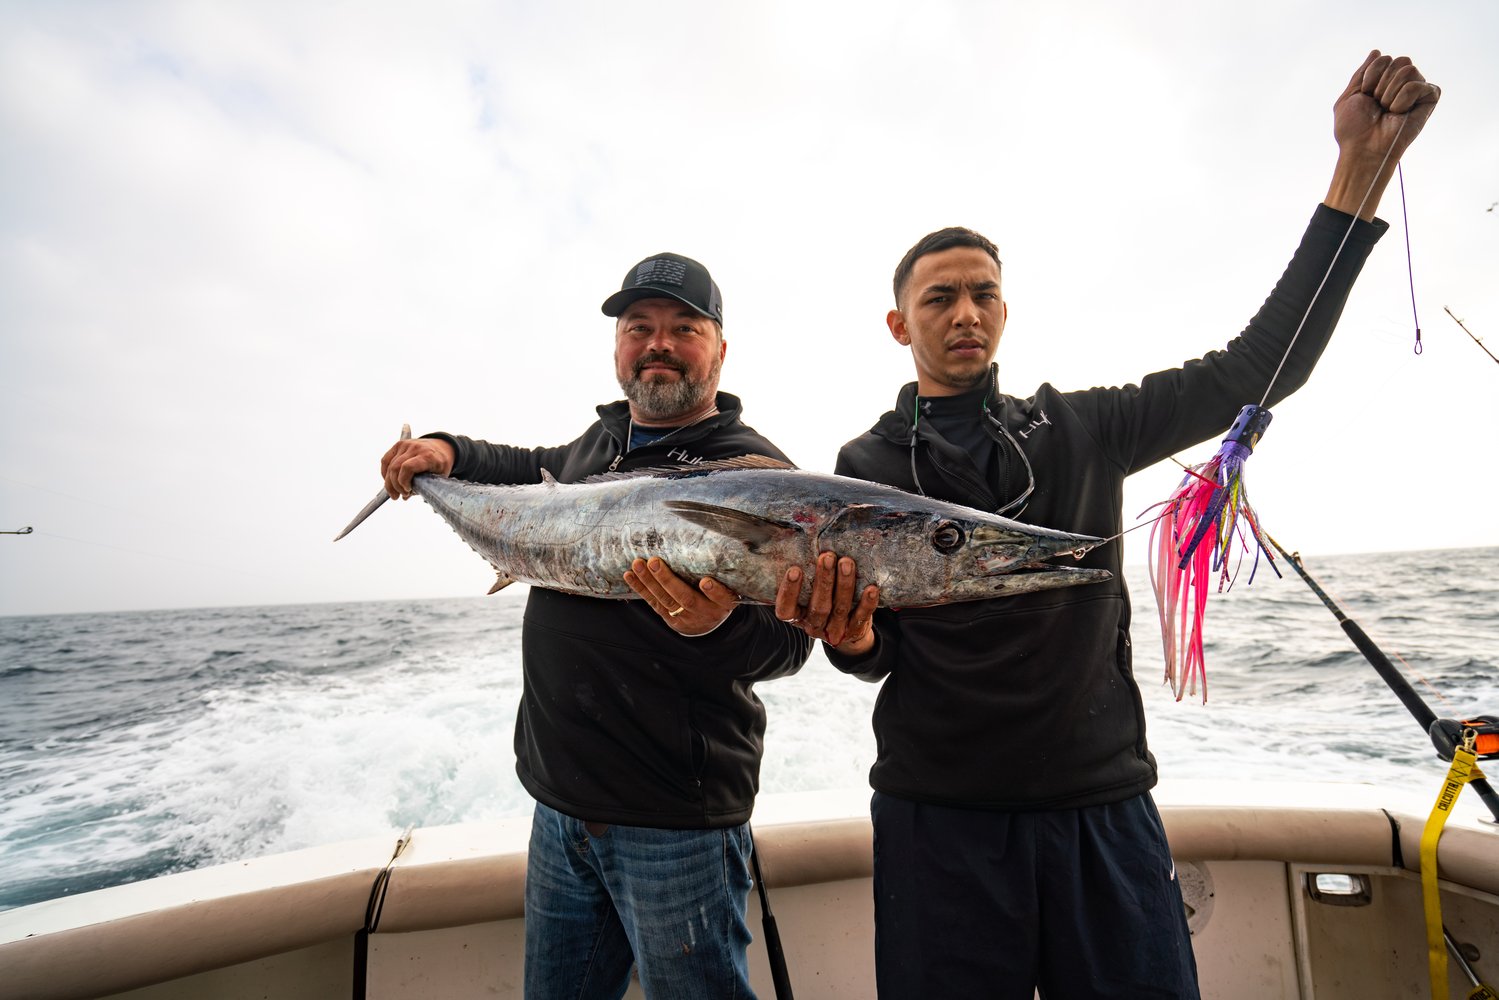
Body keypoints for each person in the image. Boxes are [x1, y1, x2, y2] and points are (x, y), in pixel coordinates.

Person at [774, 50, 1440, 998]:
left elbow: (1260, 367)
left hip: (1103, 808)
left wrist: (1358, 172)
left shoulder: (1083, 425)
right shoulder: (863, 468)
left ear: (1004, 308)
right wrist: (846, 635)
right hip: (940, 824)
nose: (966, 313)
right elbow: (875, 656)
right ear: (898, 323)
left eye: (983, 294)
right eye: (939, 298)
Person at [381, 252, 813, 999]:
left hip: (674, 821)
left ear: (719, 348)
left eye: (684, 327)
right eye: (639, 326)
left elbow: (792, 641)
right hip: (558, 808)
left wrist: (716, 628)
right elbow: (521, 464)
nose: (658, 342)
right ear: (618, 345)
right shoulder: (592, 452)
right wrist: (442, 451)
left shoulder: (755, 473)